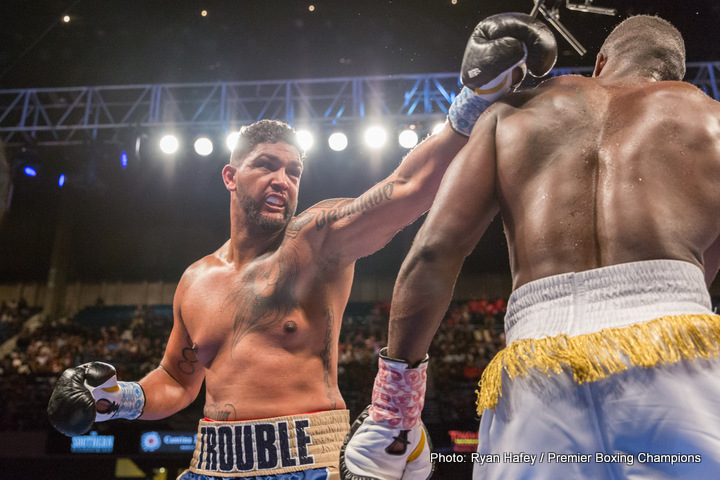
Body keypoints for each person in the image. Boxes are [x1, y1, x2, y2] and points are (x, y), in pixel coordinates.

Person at [46, 13, 557, 480]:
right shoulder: (195, 280)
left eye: (293, 171)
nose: (283, 180)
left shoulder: (316, 240)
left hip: (307, 461)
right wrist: (117, 398)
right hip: (210, 467)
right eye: (266, 165)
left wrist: (473, 100)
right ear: (230, 175)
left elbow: (407, 187)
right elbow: (177, 383)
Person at [343, 14, 720, 480]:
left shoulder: (512, 114)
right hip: (677, 360)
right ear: (673, 76)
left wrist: (394, 409)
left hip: (539, 370)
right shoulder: (710, 120)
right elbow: (700, 274)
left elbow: (433, 254)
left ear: (601, 61)